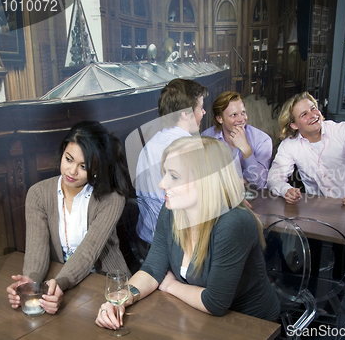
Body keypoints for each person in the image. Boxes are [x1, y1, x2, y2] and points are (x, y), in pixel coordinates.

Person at [95, 136, 280, 330]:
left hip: (251, 326)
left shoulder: (234, 223)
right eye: (165, 173)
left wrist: (169, 286)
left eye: (174, 176)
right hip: (198, 319)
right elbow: (151, 270)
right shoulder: (171, 211)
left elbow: (215, 303)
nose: (162, 184)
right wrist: (121, 300)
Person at [6, 120, 132, 314]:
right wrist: (31, 282)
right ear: (63, 152)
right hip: (61, 284)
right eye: (69, 159)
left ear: (97, 168)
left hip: (106, 285)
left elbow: (88, 252)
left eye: (84, 166)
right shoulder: (38, 194)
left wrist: (58, 284)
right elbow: (36, 249)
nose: (72, 171)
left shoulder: (112, 198)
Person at [267, 91, 345, 206]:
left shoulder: (344, 130)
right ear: (294, 125)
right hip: (319, 212)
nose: (313, 115)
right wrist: (286, 190)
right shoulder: (289, 145)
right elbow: (274, 178)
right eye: (304, 114)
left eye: (313, 109)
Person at [135, 78, 208, 244]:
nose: (203, 113)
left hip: (146, 237)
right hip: (176, 241)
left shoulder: (149, 145)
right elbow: (205, 201)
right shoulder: (191, 147)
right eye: (201, 108)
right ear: (185, 114)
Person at [201, 91, 272, 189]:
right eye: (234, 115)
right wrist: (236, 181)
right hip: (220, 197)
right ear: (220, 118)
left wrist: (246, 150)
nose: (241, 119)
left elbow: (259, 184)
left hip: (255, 199)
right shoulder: (207, 137)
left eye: (243, 112)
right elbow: (204, 178)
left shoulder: (262, 140)